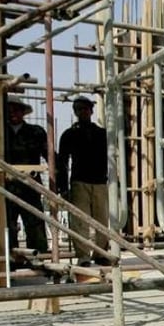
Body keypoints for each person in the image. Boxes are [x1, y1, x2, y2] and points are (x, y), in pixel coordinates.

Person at [55, 96, 109, 265]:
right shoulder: (70, 134)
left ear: (91, 111)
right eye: (79, 109)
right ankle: (83, 256)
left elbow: (112, 159)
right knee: (79, 221)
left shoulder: (101, 134)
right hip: (79, 182)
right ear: (75, 112)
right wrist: (63, 187)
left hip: (100, 181)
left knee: (102, 220)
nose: (82, 112)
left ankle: (100, 253)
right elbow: (62, 163)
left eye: (85, 109)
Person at [3, 95, 49, 254]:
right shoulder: (0, 133)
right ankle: (12, 259)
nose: (12, 113)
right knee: (9, 224)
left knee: (35, 222)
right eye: (8, 111)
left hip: (31, 185)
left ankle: (39, 257)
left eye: (16, 110)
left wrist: (57, 178)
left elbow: (48, 155)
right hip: (7, 186)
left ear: (23, 112)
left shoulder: (35, 132)